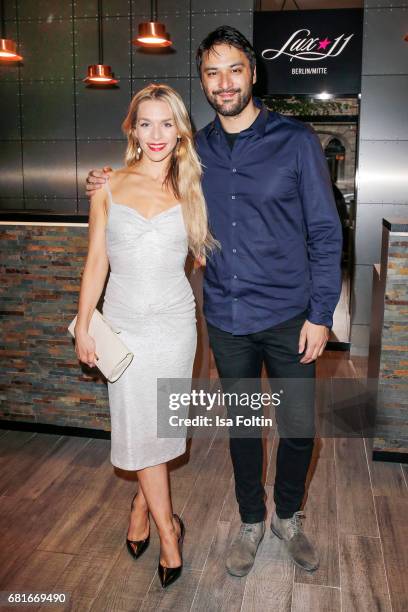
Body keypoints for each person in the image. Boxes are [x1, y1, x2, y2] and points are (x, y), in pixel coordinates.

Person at [85, 26, 342, 578]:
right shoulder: (191, 148)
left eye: (234, 69)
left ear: (253, 73)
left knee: (298, 427)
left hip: (292, 315)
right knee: (243, 427)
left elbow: (325, 232)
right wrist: (102, 179)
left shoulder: (296, 141)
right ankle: (252, 520)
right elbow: (142, 177)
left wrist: (322, 314)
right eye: (211, 72)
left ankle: (288, 516)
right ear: (202, 80)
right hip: (225, 316)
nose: (224, 82)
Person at [75, 83, 216, 588]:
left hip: (176, 327)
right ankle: (169, 532)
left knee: (159, 430)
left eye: (166, 123)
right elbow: (97, 261)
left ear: (180, 131)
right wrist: (84, 323)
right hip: (126, 327)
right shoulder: (107, 187)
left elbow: (201, 255)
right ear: (132, 129)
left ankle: (141, 505)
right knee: (140, 430)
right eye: (145, 123)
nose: (156, 134)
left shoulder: (195, 187)